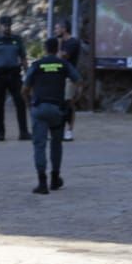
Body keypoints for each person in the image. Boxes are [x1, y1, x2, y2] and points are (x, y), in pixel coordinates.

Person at [23, 36, 81, 194]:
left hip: (39, 109)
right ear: (57, 49)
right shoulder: (63, 64)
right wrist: (74, 98)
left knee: (39, 145)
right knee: (56, 144)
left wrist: (29, 103)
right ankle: (55, 178)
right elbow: (78, 81)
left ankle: (42, 182)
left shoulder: (37, 65)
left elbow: (25, 89)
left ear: (45, 49)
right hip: (57, 110)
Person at [0, 15, 30, 141]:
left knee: (20, 103)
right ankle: (1, 133)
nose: (7, 28)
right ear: (0, 26)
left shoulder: (17, 39)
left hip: (14, 75)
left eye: (9, 25)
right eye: (5, 25)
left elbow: (23, 58)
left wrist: (29, 75)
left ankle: (23, 132)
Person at [55, 20, 83, 141]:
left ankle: (69, 130)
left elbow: (62, 56)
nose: (55, 31)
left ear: (64, 29)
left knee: (68, 102)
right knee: (59, 103)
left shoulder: (73, 42)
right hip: (58, 76)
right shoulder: (60, 42)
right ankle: (59, 129)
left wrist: (59, 45)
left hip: (69, 77)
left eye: (57, 28)